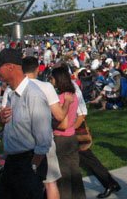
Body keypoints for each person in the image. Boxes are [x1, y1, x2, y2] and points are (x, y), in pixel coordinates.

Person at [0, 47, 53, 199]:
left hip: (27, 162)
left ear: (10, 67)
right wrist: (1, 120)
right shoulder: (12, 93)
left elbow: (44, 138)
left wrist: (33, 166)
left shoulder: (33, 95)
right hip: (13, 162)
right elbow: (10, 125)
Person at [21, 56, 73, 199]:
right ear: (38, 69)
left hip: (22, 141)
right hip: (43, 140)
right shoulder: (46, 87)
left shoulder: (12, 89)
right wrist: (67, 103)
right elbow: (59, 116)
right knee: (50, 182)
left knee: (27, 183)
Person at [50, 66, 86, 199]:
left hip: (61, 139)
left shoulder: (61, 98)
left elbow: (63, 124)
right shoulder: (73, 95)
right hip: (72, 136)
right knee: (75, 173)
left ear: (58, 79)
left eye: (52, 78)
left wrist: (50, 122)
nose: (51, 80)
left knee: (64, 177)